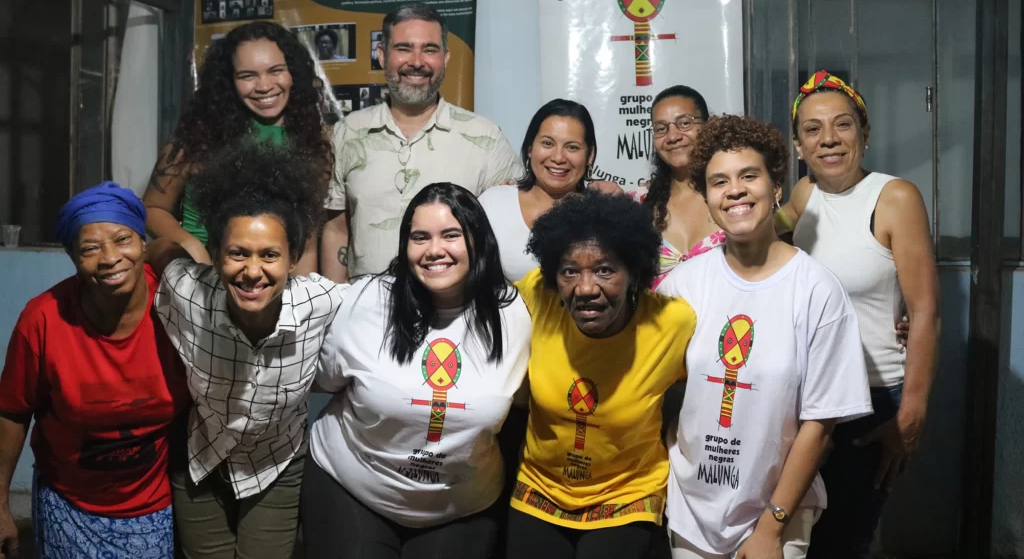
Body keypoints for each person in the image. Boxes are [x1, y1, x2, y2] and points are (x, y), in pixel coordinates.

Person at [656, 115, 872, 559]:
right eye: (719, 181)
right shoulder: (684, 284)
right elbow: (651, 385)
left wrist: (772, 527)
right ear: (707, 196)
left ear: (776, 187)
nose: (735, 190)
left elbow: (820, 421)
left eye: (749, 176)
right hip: (691, 512)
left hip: (778, 515)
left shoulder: (816, 291)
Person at [304, 183, 532, 558]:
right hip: (353, 487)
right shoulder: (367, 302)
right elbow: (324, 380)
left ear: (478, 240)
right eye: (420, 237)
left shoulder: (513, 314)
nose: (434, 250)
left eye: (451, 235)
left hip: (462, 508)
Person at [151, 142, 344, 559]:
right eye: (237, 253)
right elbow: (158, 252)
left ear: (293, 259)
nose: (252, 271)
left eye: (270, 255)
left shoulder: (322, 302)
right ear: (217, 255)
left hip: (276, 464)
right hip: (201, 460)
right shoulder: (189, 291)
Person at [776, 71, 940, 559]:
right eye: (813, 129)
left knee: (844, 542)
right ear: (799, 145)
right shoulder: (803, 197)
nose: (828, 139)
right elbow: (751, 237)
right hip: (808, 398)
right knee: (797, 537)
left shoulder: (895, 197)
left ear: (864, 135)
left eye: (842, 125)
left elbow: (927, 310)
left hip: (870, 400)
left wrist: (911, 414)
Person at [0, 183, 189, 559]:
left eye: (123, 240)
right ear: (72, 257)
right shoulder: (44, 319)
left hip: (152, 508)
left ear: (142, 244)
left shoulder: (178, 308)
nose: (109, 258)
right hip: (66, 504)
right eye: (90, 248)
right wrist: (0, 504)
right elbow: (12, 413)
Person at [506, 192, 697, 559]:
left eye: (605, 270)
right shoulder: (538, 296)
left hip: (626, 494)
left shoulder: (673, 323)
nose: (586, 288)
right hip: (540, 490)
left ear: (635, 274)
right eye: (569, 271)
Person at [320, 2, 522, 283]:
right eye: (403, 48)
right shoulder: (348, 133)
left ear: (446, 58)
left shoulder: (486, 138)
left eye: (430, 49)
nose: (417, 61)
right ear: (381, 55)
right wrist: (335, 308)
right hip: (366, 313)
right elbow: (337, 230)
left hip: (456, 315)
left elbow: (519, 222)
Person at [143, 20, 332, 274]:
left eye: (275, 70)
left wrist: (303, 300)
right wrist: (190, 246)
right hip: (201, 281)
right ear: (229, 81)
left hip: (273, 287)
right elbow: (152, 209)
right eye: (248, 75)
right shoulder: (199, 135)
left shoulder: (313, 141)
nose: (264, 85)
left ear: (293, 74)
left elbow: (307, 242)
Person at [478, 99, 597, 282]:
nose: (558, 158)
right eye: (548, 144)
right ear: (530, 148)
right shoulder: (493, 203)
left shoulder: (605, 211)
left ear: (590, 155)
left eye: (572, 147)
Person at [637, 86, 724, 289]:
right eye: (661, 128)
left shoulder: (732, 196)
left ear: (708, 126)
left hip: (732, 320)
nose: (673, 136)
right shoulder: (639, 206)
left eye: (684, 123)